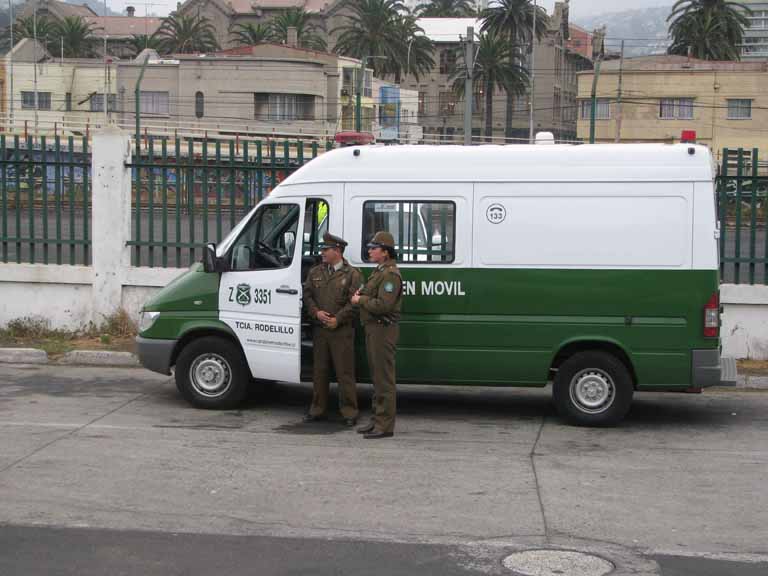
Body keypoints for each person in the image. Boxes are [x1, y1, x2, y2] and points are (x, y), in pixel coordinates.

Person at [302, 233, 363, 426]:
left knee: (344, 372)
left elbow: (354, 303)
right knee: (319, 371)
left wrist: (338, 319)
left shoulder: (353, 274)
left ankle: (349, 412)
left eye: (326, 250)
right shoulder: (316, 272)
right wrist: (316, 313)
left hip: (341, 331)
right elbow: (307, 296)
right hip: (321, 330)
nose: (322, 253)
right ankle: (317, 409)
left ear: (337, 251)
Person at [351, 231, 403, 440]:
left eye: (374, 248)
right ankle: (377, 420)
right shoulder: (379, 271)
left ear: (385, 252)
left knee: (384, 379)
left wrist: (360, 301)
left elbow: (383, 305)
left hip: (383, 329)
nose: (370, 251)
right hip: (374, 329)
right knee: (377, 378)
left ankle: (385, 425)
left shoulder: (390, 275)